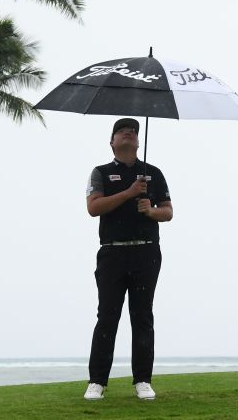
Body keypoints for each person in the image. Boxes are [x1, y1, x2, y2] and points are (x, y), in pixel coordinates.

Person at [83, 117, 173, 402]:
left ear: (138, 141)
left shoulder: (153, 174)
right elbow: (94, 207)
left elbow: (168, 212)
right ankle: (97, 381)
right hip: (112, 252)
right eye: (122, 131)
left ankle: (143, 381)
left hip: (146, 252)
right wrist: (129, 193)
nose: (129, 134)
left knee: (142, 316)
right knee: (107, 317)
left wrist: (150, 211)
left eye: (133, 132)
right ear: (112, 141)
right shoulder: (101, 172)